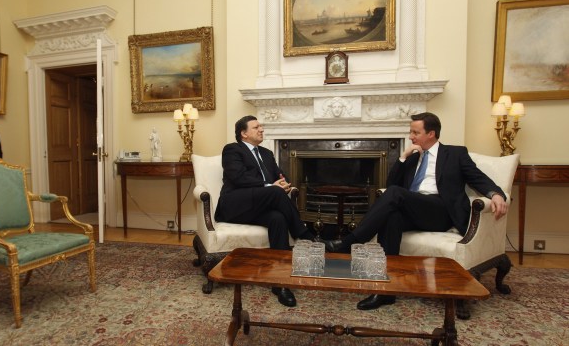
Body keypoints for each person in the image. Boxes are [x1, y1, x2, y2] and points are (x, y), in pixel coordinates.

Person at [322, 112, 508, 311]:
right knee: (391, 216)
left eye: (415, 132)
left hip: (440, 211)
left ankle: (350, 242)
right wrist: (403, 158)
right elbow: (390, 185)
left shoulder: (455, 153)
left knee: (395, 196)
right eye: (411, 131)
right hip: (414, 209)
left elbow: (477, 177)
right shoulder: (413, 157)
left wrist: (495, 194)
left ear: (431, 134)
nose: (411, 136)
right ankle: (386, 291)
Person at [215, 115, 315, 307]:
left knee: (277, 218)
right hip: (235, 204)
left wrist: (283, 182)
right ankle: (305, 235)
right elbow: (238, 177)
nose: (261, 129)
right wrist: (270, 185)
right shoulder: (232, 150)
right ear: (243, 133)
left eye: (261, 126)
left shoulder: (267, 153)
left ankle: (280, 282)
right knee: (276, 193)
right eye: (256, 127)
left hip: (258, 205)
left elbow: (280, 175)